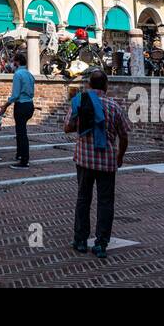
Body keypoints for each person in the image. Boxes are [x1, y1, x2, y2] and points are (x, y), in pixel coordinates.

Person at [64, 69, 130, 257]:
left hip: (84, 159)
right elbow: (124, 135)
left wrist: (82, 126)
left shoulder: (80, 101)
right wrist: (120, 156)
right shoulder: (114, 106)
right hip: (107, 161)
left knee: (83, 198)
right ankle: (101, 243)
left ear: (90, 85)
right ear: (106, 86)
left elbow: (67, 127)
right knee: (105, 202)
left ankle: (80, 240)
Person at [1, 52, 36, 168]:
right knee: (21, 131)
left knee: (21, 133)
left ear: (17, 62)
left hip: (21, 105)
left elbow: (15, 95)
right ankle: (20, 154)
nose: (12, 63)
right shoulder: (30, 74)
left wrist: (6, 104)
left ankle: (24, 160)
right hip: (29, 104)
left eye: (13, 61)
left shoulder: (18, 74)